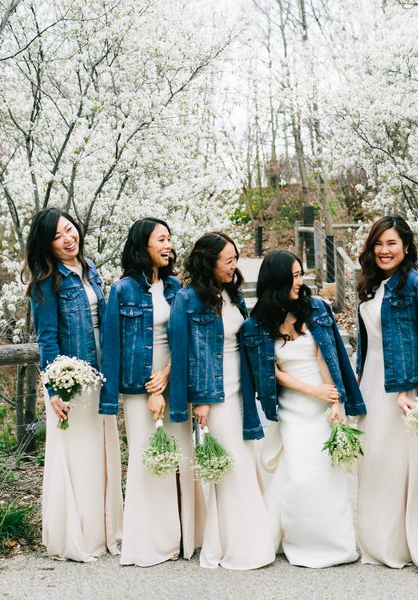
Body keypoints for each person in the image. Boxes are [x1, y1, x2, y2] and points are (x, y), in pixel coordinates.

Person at [242, 249, 365, 568]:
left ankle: (336, 544)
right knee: (301, 475)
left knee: (328, 473)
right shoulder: (257, 325)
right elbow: (270, 372)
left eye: (301, 274)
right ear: (278, 281)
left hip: (323, 401)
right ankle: (298, 539)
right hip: (292, 406)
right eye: (294, 276)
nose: (301, 281)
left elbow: (327, 356)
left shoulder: (316, 310)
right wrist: (310, 389)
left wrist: (334, 400)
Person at [99, 218, 204, 567]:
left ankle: (187, 536)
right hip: (138, 387)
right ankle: (153, 542)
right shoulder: (122, 290)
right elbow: (113, 346)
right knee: (150, 462)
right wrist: (149, 389)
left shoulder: (177, 288)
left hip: (174, 379)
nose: (169, 244)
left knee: (182, 455)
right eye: (162, 239)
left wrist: (167, 375)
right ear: (143, 245)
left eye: (170, 238)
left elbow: (188, 337)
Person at [169, 232, 275, 570]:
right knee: (233, 464)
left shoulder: (232, 294)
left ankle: (238, 537)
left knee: (246, 457)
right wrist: (198, 400)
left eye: (235, 259)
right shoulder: (186, 300)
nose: (234, 266)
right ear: (208, 262)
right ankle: (241, 544)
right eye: (228, 260)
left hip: (239, 387)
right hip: (213, 394)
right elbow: (182, 352)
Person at [24, 207, 123, 562]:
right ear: (47, 246)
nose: (68, 239)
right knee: (79, 457)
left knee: (102, 452)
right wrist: (53, 390)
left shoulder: (91, 270)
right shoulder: (46, 284)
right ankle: (81, 534)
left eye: (70, 230)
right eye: (57, 236)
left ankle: (107, 528)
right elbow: (47, 340)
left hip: (101, 375)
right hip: (72, 383)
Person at [355, 216, 418, 574]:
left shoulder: (416, 285)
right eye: (378, 243)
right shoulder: (371, 285)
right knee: (371, 461)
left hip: (399, 387)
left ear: (406, 246)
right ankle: (373, 539)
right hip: (369, 381)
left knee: (396, 464)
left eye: (391, 243)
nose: (384, 250)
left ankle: (400, 543)